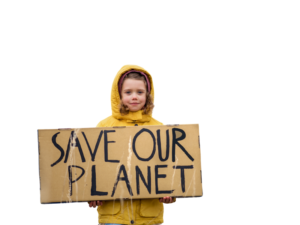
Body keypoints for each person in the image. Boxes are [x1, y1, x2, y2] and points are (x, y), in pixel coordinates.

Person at [87, 64, 177, 225]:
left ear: (148, 95)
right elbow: (91, 165)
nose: (134, 97)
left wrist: (171, 192)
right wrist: (90, 194)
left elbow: (170, 165)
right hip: (113, 216)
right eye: (128, 92)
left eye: (140, 92)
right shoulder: (103, 126)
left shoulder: (160, 128)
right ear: (118, 94)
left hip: (149, 217)